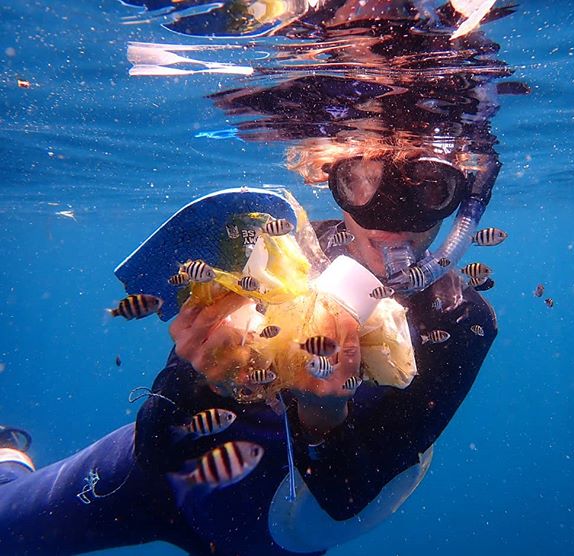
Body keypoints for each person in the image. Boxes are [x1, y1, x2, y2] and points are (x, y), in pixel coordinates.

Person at [0, 0, 512, 554]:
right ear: (329, 177)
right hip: (158, 491)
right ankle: (8, 458)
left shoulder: (459, 321)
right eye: (362, 182)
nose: (392, 223)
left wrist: (323, 413)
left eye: (429, 189)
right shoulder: (278, 249)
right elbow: (156, 449)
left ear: (464, 197)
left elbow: (343, 498)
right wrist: (200, 378)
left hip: (275, 534)